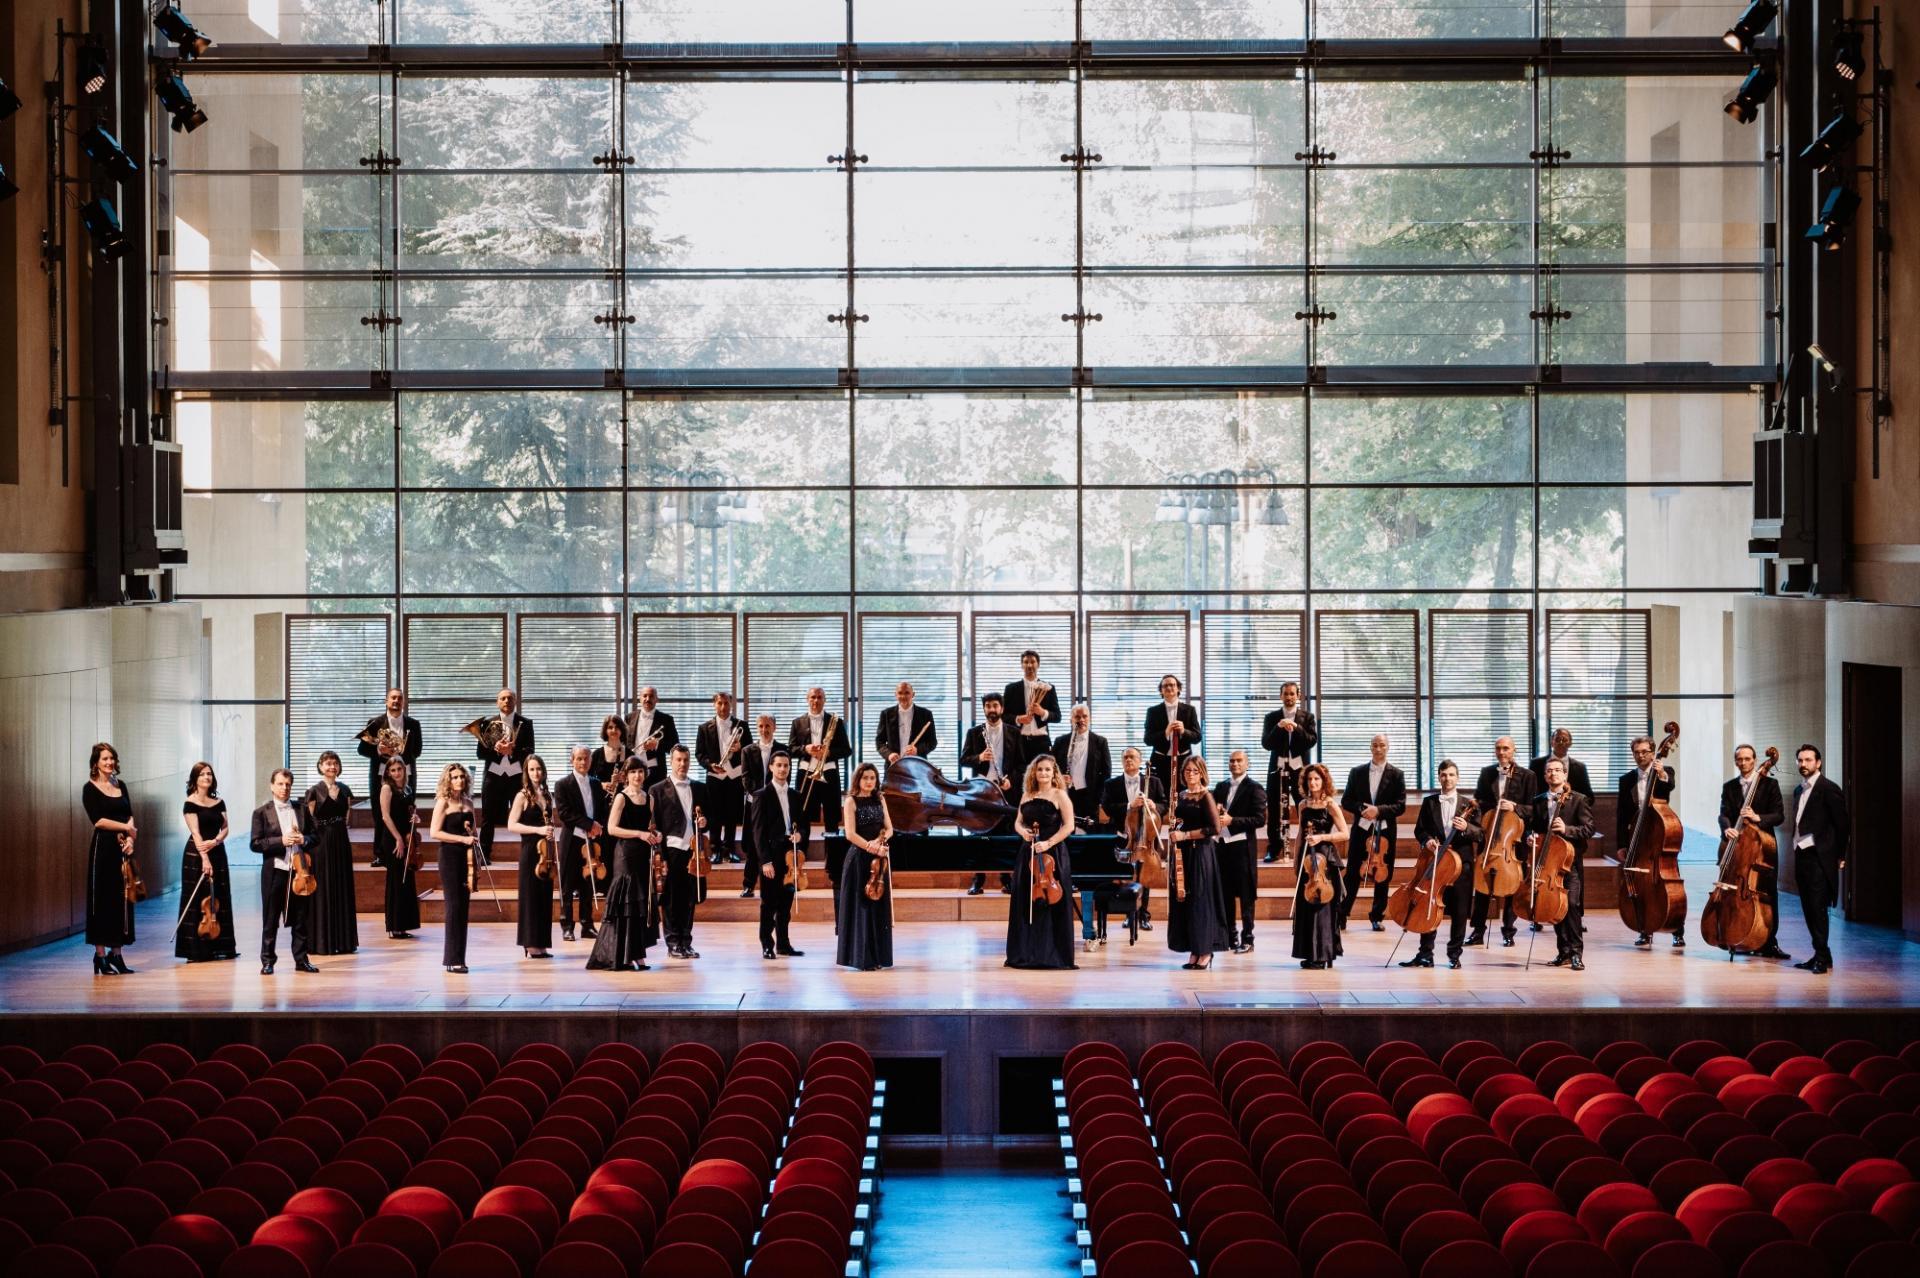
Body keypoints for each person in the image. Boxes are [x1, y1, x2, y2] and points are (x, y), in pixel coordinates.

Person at [1403, 760, 1482, 970]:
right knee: (1429, 906)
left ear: (1458, 778)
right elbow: (1419, 830)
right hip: (1436, 865)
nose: (1447, 778)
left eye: (1451, 775)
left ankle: (1454, 955)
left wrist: (1466, 827)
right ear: (1439, 777)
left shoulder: (1469, 805)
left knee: (1459, 912)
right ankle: (1425, 954)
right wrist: (1427, 840)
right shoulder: (1429, 803)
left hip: (1460, 867)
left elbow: (1480, 834)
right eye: (1444, 775)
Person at [1716, 744, 1789, 960]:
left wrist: (1758, 818)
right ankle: (1740, 935)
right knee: (1735, 891)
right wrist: (1726, 827)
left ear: (1755, 760)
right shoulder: (1729, 787)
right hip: (1738, 848)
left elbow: (1779, 815)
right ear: (1735, 761)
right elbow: (1723, 814)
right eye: (1739, 759)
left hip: (1762, 849)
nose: (1743, 763)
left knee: (1768, 895)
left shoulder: (1770, 784)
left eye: (1748, 759)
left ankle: (1769, 942)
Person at [1007, 755, 1078, 971]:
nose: (1044, 774)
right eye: (1040, 770)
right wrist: (1024, 833)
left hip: (1052, 854)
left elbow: (1069, 826)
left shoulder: (1060, 795)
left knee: (1051, 903)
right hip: (1028, 853)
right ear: (1034, 773)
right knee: (1025, 901)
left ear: (1054, 773)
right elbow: (1017, 823)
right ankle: (1025, 953)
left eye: (1048, 770)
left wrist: (1047, 843)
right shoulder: (1027, 795)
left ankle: (1052, 955)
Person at [589, 757, 659, 972]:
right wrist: (639, 834)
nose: (637, 776)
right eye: (633, 772)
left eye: (640, 772)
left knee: (639, 907)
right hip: (625, 855)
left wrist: (656, 835)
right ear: (626, 775)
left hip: (642, 856)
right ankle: (624, 956)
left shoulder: (649, 798)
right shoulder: (621, 797)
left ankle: (637, 955)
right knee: (627, 904)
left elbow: (651, 827)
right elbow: (611, 829)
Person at [1784, 744, 1848, 975]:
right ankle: (1822, 954)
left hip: (1820, 857)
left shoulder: (1829, 788)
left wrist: (1841, 855)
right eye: (1800, 760)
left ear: (1818, 763)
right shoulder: (1798, 790)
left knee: (1818, 908)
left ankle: (1821, 956)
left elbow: (1843, 825)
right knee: (1809, 907)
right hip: (1802, 856)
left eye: (1808, 760)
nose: (1803, 764)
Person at [1469, 737, 1536, 947]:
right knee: (1481, 886)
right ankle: (1477, 932)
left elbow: (1535, 808)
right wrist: (1490, 806)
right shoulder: (1487, 773)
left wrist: (1514, 807)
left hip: (1513, 841)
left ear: (1514, 750)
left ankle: (1509, 932)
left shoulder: (1528, 776)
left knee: (1511, 887)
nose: (1501, 752)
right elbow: (1479, 801)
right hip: (1490, 836)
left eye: (1506, 748)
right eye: (1498, 748)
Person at [1166, 755, 1231, 970]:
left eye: (1195, 771)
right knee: (1187, 901)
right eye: (1187, 771)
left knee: (1202, 902)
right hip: (1184, 854)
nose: (1191, 774)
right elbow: (1179, 823)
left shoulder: (1206, 796)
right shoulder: (1181, 796)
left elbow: (1214, 828)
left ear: (1201, 773)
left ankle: (1206, 951)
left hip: (1201, 853)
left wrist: (1186, 836)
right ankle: (1194, 949)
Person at [1617, 735, 1683, 948]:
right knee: (1641, 885)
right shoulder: (1626, 779)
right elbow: (1621, 815)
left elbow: (1669, 786)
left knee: (1670, 884)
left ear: (1653, 751)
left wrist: (1662, 773)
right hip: (1637, 838)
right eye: (1636, 752)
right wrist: (1621, 844)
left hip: (1658, 836)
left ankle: (1676, 930)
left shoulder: (1665, 772)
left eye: (1644, 751)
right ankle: (1644, 929)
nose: (1640, 755)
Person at [250, 767, 317, 975]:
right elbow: (255, 843)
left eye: (288, 784)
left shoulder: (301, 808)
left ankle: (301, 959)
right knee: (270, 919)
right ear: (272, 786)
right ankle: (268, 961)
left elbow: (316, 836)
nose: (284, 788)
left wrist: (304, 839)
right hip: (275, 871)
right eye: (280, 784)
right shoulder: (261, 813)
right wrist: (281, 841)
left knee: (300, 918)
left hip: (300, 871)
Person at [1530, 757, 1594, 971]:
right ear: (1545, 775)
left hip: (1570, 863)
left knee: (1572, 907)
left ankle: (1576, 953)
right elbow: (1533, 828)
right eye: (1549, 771)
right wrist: (1531, 837)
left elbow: (1589, 829)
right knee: (1555, 906)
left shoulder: (1578, 799)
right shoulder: (1538, 801)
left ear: (1565, 774)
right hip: (1548, 864)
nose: (1553, 774)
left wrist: (1567, 830)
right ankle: (1563, 953)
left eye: (1557, 770)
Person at [1339, 734, 1407, 933]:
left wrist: (1379, 810)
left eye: (1382, 745)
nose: (1378, 749)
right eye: (1375, 745)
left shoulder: (1397, 774)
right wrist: (1362, 809)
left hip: (1385, 831)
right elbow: (1346, 801)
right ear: (1370, 747)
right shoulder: (1357, 772)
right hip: (1361, 829)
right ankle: (1342, 914)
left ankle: (1377, 917)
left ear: (1388, 747)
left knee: (1382, 875)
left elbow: (1400, 806)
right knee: (1352, 873)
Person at [84, 743, 139, 976]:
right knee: (102, 901)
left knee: (122, 900)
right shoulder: (90, 788)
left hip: (122, 848)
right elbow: (98, 821)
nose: (109, 762)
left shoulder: (121, 785)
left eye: (112, 759)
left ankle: (117, 954)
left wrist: (131, 839)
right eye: (105, 759)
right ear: (96, 762)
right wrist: (126, 828)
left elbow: (130, 814)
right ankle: (100, 956)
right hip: (103, 849)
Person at [648, 745, 708, 960]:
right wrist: (660, 856)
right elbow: (655, 825)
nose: (682, 764)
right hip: (671, 850)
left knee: (690, 898)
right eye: (678, 760)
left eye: (685, 760)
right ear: (671, 762)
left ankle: (686, 941)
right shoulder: (657, 789)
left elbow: (706, 821)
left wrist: (704, 821)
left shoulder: (700, 788)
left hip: (693, 851)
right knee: (671, 899)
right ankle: (673, 942)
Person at [176, 761, 238, 963]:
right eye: (202, 774)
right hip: (197, 854)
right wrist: (205, 857)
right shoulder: (190, 802)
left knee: (218, 898)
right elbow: (195, 832)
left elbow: (226, 827)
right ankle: (196, 950)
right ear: (195, 779)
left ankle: (220, 947)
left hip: (218, 852)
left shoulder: (219, 802)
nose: (206, 777)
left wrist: (217, 841)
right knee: (198, 901)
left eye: (209, 774)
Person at [1100, 747, 1165, 933]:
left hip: (1146, 840)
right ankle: (1129, 915)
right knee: (1127, 878)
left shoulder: (1153, 782)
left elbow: (1164, 804)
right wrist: (1129, 805)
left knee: (1144, 878)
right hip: (1124, 838)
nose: (1129, 760)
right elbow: (1107, 806)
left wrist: (1155, 806)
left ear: (1139, 760)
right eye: (1126, 757)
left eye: (1132, 757)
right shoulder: (1111, 784)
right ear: (1121, 761)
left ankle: (1144, 915)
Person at [837, 762, 894, 971]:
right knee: (861, 907)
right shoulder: (850, 801)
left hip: (878, 860)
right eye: (865, 778)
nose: (869, 782)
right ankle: (862, 958)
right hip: (859, 860)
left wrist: (881, 843)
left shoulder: (880, 798)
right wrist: (871, 847)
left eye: (872, 778)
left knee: (877, 907)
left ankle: (878, 956)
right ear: (858, 780)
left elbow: (889, 829)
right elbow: (850, 834)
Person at [1292, 763, 1349, 969]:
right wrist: (1296, 860)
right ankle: (1310, 953)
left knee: (1323, 910)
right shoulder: (1303, 805)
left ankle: (1323, 955)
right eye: (1310, 779)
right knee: (1308, 907)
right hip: (1308, 861)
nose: (1313, 783)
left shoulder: (1331, 805)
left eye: (1317, 779)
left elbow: (1345, 833)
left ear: (1324, 781)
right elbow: (1300, 834)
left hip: (1325, 860)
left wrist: (1322, 837)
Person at [963, 692, 1020, 895]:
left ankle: (1007, 878)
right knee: (980, 836)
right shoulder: (974, 732)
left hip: (1004, 790)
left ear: (1002, 708)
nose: (991, 709)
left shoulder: (1014, 732)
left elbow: (1022, 764)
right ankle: (978, 879)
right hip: (981, 791)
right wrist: (979, 757)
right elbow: (963, 759)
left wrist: (1011, 779)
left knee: (1005, 836)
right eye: (988, 706)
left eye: (995, 705)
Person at [752, 751, 806, 961]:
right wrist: (765, 861)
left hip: (790, 855)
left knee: (785, 902)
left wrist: (800, 834)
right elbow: (757, 832)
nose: (783, 769)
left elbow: (804, 824)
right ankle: (767, 944)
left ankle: (783, 944)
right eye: (779, 765)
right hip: (771, 856)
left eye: (786, 765)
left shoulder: (795, 795)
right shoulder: (761, 795)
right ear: (771, 768)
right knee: (768, 903)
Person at [1213, 750, 1268, 954]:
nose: (1234, 764)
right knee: (1225, 894)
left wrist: (1232, 821)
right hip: (1222, 847)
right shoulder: (1221, 786)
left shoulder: (1255, 788)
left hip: (1242, 847)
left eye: (1239, 761)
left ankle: (1248, 938)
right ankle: (1230, 936)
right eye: (1231, 761)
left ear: (1247, 763)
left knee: (1246, 896)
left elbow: (1260, 819)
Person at [303, 751, 357, 955]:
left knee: (341, 886)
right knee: (324, 887)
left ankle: (343, 941)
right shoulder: (314, 791)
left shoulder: (344, 789)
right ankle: (321, 941)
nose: (331, 767)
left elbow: (347, 817)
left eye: (335, 763)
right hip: (321, 843)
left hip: (341, 842)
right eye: (327, 763)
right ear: (320, 767)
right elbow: (308, 821)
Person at [477, 688, 535, 876]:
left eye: (510, 698)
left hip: (516, 777)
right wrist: (496, 749)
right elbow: (480, 753)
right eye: (503, 698)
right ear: (497, 702)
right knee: (487, 818)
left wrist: (513, 752)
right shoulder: (486, 723)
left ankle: (530, 853)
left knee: (525, 815)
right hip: (493, 777)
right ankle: (484, 854)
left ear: (515, 701)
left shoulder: (525, 723)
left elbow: (531, 750)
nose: (506, 701)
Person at [428, 764, 480, 974]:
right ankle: (452, 959)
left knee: (463, 908)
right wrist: (462, 838)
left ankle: (460, 958)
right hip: (449, 856)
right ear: (448, 780)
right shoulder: (443, 802)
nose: (459, 780)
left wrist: (474, 844)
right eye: (454, 777)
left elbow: (474, 831)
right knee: (453, 906)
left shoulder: (468, 803)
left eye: (461, 777)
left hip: (466, 858)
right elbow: (434, 832)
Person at [506, 754, 558, 960]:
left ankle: (541, 943)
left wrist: (550, 832)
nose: (536, 773)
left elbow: (549, 823)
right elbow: (512, 825)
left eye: (539, 769)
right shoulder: (522, 796)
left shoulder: (547, 795)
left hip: (545, 853)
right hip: (530, 852)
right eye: (532, 770)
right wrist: (537, 830)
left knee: (544, 899)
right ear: (526, 773)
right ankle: (530, 943)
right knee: (530, 899)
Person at [552, 747, 605, 943]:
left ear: (591, 761)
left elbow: (601, 810)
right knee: (567, 884)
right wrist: (589, 824)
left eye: (586, 759)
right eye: (579, 759)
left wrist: (597, 827)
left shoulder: (596, 784)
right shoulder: (562, 784)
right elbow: (564, 813)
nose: (583, 762)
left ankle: (587, 924)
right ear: (572, 760)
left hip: (590, 840)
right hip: (571, 840)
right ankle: (567, 926)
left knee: (587, 883)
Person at [1262, 682, 1316, 864]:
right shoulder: (1271, 717)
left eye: (1292, 694)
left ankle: (1308, 847)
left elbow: (1311, 741)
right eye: (1285, 694)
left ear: (1298, 696)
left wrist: (1297, 727)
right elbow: (1266, 744)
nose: (1289, 697)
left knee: (1305, 806)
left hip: (1300, 770)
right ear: (1281, 696)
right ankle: (1274, 848)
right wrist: (1279, 727)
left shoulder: (1307, 717)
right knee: (1275, 808)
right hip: (1277, 768)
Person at [695, 692, 749, 870]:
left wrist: (741, 748)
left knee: (732, 815)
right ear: (714, 705)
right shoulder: (704, 728)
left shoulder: (743, 726)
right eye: (720, 703)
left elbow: (750, 751)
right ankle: (715, 849)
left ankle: (729, 849)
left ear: (731, 704)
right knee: (715, 815)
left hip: (734, 775)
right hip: (715, 775)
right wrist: (710, 766)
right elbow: (699, 754)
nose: (723, 707)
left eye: (726, 703)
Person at [372, 756, 421, 940]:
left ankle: (404, 924)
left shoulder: (407, 787)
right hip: (393, 838)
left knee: (406, 880)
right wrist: (398, 838)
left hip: (406, 837)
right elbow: (385, 816)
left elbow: (410, 810)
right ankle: (394, 926)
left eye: (399, 769)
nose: (397, 773)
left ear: (404, 770)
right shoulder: (386, 788)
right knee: (396, 880)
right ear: (388, 773)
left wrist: (416, 818)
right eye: (393, 770)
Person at [790, 687, 851, 834]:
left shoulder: (836, 722)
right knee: (803, 817)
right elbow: (790, 749)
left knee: (832, 817)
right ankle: (801, 854)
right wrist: (806, 749)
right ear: (807, 699)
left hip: (829, 774)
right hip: (806, 773)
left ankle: (832, 856)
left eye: (819, 697)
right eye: (812, 697)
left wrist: (829, 752)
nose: (815, 701)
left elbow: (847, 750)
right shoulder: (797, 722)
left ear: (824, 700)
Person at [740, 713, 786, 898]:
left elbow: (785, 775)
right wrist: (761, 796)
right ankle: (748, 885)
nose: (764, 730)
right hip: (755, 803)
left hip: (777, 803)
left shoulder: (783, 749)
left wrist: (772, 796)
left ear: (774, 727)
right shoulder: (747, 750)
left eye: (768, 726)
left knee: (775, 842)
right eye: (760, 726)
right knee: (753, 845)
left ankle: (779, 883)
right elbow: (746, 778)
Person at [1051, 703, 1111, 828]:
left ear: (1089, 718)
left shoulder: (1100, 742)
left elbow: (1106, 772)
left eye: (1085, 716)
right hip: (1065, 793)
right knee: (1065, 830)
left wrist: (1098, 798)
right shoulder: (1060, 741)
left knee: (1089, 835)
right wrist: (1060, 777)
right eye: (1077, 717)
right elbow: (1051, 768)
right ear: (1071, 719)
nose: (1081, 720)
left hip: (1090, 796)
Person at [356, 687, 423, 800]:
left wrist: (399, 755)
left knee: (406, 812)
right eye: (393, 697)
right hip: (380, 776)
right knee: (380, 813)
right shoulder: (375, 723)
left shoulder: (414, 724)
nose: (396, 700)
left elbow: (417, 751)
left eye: (400, 698)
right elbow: (362, 750)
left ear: (403, 702)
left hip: (406, 775)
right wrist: (379, 750)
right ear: (386, 701)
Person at [1145, 675, 1202, 797]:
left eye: (1172, 685)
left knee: (1183, 796)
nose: (1169, 687)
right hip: (1160, 761)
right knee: (1160, 796)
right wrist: (1165, 732)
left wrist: (1183, 731)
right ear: (1161, 690)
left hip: (1183, 760)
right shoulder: (1153, 711)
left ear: (1178, 689)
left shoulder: (1189, 710)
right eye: (1165, 685)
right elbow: (1148, 739)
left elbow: (1197, 737)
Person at [1005, 649, 1061, 759]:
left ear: (1038, 665)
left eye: (1033, 662)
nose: (1029, 665)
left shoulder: (1049, 688)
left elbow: (1057, 717)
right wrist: (1018, 719)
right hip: (1019, 741)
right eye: (1026, 662)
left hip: (1042, 741)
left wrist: (1043, 712)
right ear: (1021, 665)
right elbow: (1003, 716)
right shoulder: (1011, 689)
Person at [624, 686, 678, 789]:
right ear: (640, 698)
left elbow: (675, 746)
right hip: (632, 770)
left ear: (656, 699)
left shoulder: (666, 720)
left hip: (655, 772)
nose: (647, 699)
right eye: (645, 696)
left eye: (651, 696)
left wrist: (657, 744)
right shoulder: (629, 718)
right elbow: (624, 743)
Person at [876, 682, 936, 765]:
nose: (903, 696)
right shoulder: (886, 714)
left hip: (918, 765)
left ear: (913, 694)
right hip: (893, 765)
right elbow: (879, 741)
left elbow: (932, 742)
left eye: (907, 693)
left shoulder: (926, 714)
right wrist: (889, 754)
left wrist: (917, 750)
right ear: (895, 694)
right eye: (900, 693)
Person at [1530, 728, 1594, 801]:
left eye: (1564, 740)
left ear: (1570, 743)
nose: (1561, 742)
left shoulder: (1580, 768)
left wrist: (1576, 807)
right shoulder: (1536, 764)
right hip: (1543, 810)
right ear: (1551, 742)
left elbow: (1589, 797)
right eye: (1557, 739)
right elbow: (1530, 793)